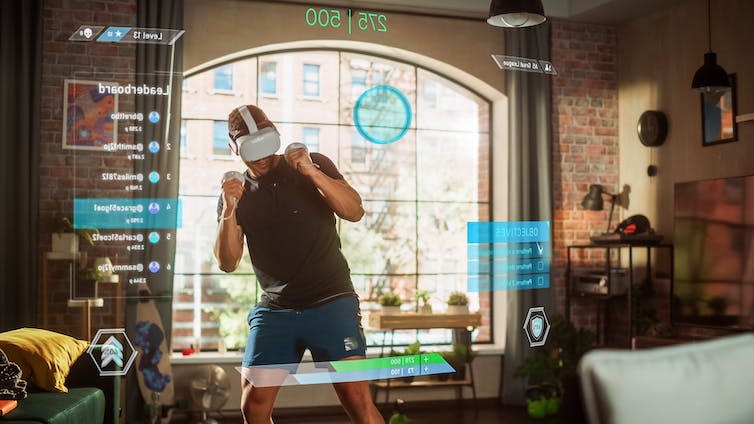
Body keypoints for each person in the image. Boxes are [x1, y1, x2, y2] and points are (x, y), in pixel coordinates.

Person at [214, 104, 383, 424]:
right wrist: (228, 208)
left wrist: (311, 172)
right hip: (276, 308)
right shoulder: (235, 192)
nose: (262, 157)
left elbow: (354, 211)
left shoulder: (313, 163)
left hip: (331, 299)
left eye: (266, 145)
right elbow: (227, 262)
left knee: (357, 398)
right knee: (254, 404)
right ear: (234, 148)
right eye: (252, 150)